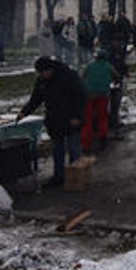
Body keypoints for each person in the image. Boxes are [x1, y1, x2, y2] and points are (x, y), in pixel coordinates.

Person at [17, 56, 87, 189]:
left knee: (74, 148)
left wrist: (77, 116)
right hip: (55, 119)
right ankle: (59, 176)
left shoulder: (69, 76)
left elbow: (81, 96)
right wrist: (24, 112)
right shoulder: (42, 81)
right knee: (58, 149)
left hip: (71, 117)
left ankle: (75, 178)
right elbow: (36, 99)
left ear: (50, 69)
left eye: (44, 72)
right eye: (40, 73)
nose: (42, 75)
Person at [80, 48, 113, 153]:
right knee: (102, 117)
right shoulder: (109, 66)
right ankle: (103, 138)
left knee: (87, 119)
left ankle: (86, 145)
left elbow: (82, 77)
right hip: (103, 95)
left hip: (89, 95)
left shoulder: (90, 65)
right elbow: (116, 76)